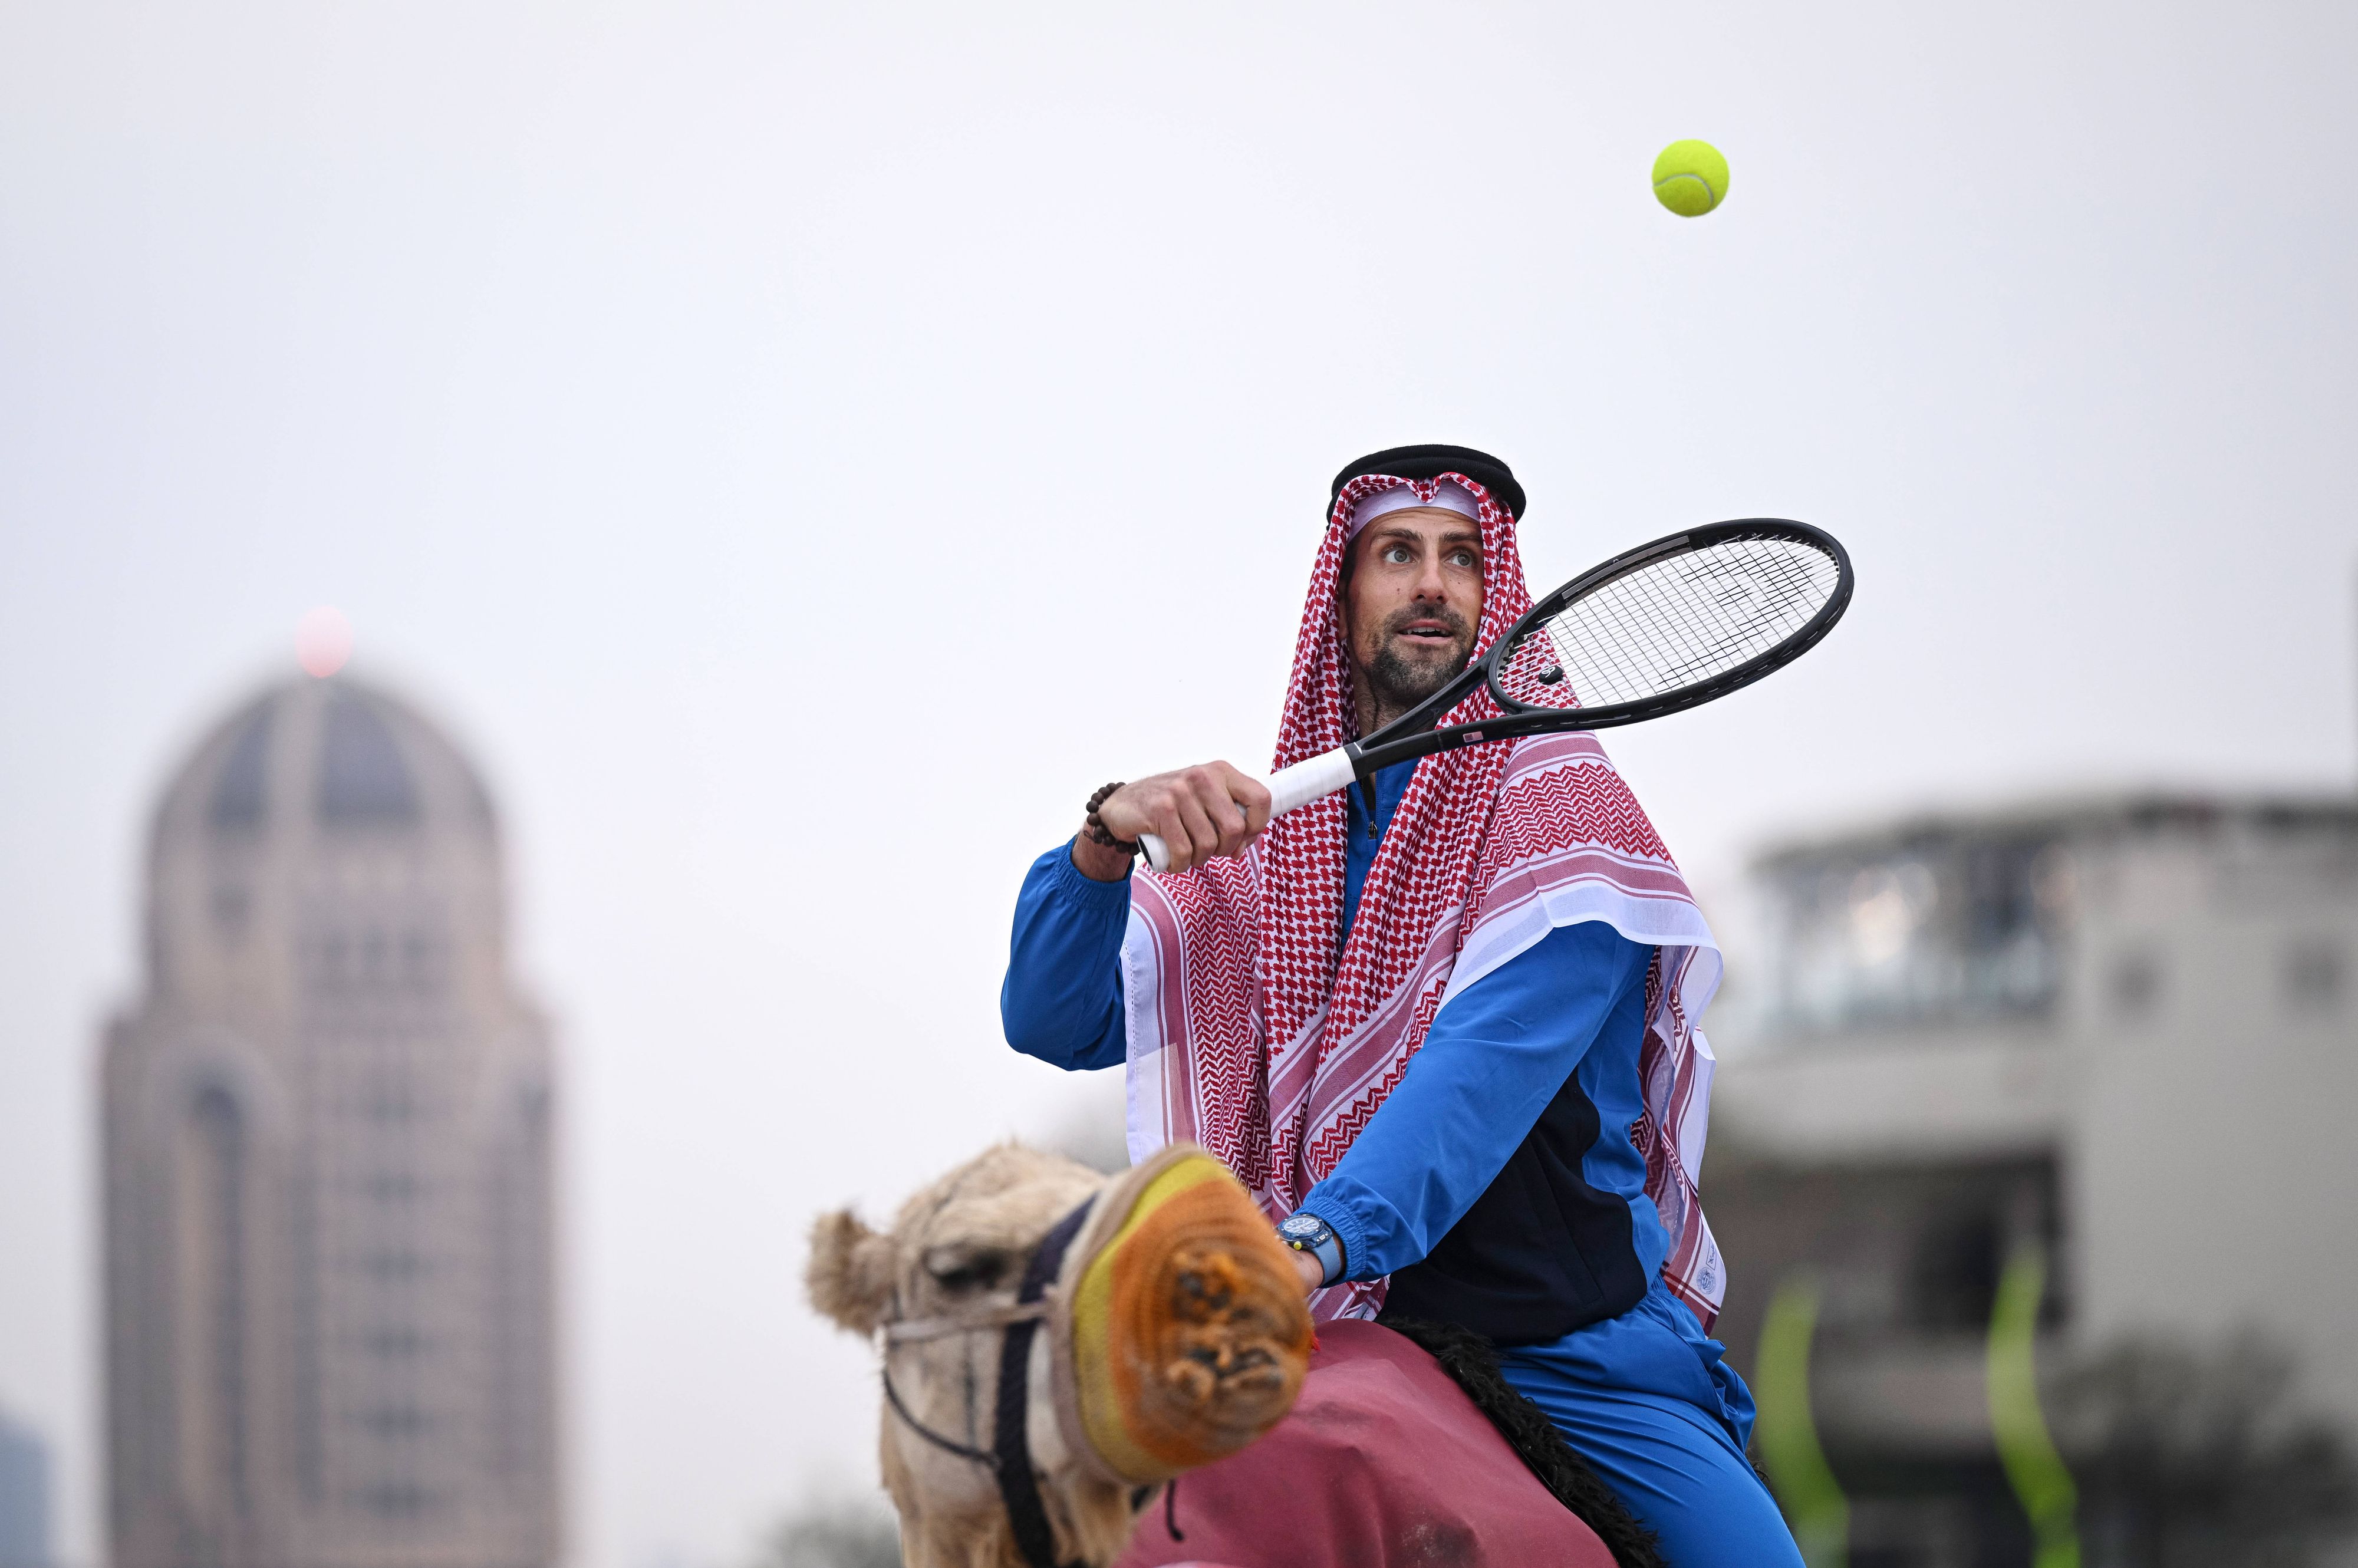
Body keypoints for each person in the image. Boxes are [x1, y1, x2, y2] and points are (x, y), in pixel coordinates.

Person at [1000, 445, 1802, 1566]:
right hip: (1320, 1337)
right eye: (1397, 553)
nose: (1431, 582)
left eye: (1461, 558)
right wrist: (1104, 837)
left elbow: (1466, 1097)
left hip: (1562, 1357)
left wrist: (1304, 1254)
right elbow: (1053, 1018)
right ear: (1346, 594)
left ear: (1498, 598)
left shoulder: (1573, 832)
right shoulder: (1271, 843)